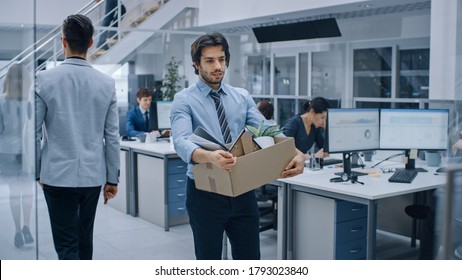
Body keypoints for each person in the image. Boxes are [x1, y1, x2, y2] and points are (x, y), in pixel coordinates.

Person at [170, 32, 305, 260]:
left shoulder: (241, 97)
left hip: (243, 191)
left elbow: (269, 130)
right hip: (206, 194)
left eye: (221, 59)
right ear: (196, 64)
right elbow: (180, 141)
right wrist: (209, 157)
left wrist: (297, 153)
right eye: (210, 60)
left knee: (250, 259)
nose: (218, 66)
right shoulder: (184, 100)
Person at [35, 14, 120, 260]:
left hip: (56, 177)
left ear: (63, 42)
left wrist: (38, 172)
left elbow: (31, 133)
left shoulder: (44, 79)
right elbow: (112, 136)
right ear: (91, 43)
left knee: (66, 245)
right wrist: (112, 179)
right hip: (92, 178)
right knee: (85, 241)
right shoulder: (106, 83)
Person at [0, 62, 34, 248]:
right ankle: (27, 225)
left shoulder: (1, 101)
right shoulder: (29, 102)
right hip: (27, 153)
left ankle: (17, 231)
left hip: (8, 153)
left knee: (14, 193)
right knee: (27, 192)